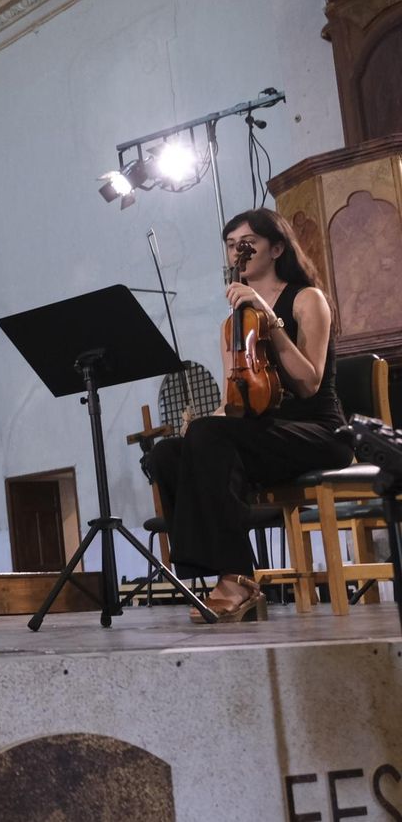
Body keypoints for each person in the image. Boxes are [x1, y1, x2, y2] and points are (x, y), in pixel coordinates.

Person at [144, 208, 352, 623]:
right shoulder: (234, 323)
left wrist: (271, 320)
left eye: (248, 241)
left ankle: (236, 576)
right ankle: (219, 568)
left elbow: (309, 384)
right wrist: (202, 425)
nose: (238, 250)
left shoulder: (307, 298)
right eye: (230, 243)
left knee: (207, 438)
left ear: (276, 248)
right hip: (264, 433)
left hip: (318, 432)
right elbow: (235, 400)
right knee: (167, 454)